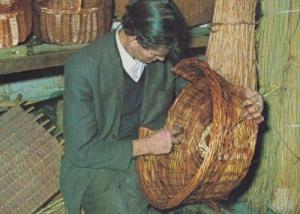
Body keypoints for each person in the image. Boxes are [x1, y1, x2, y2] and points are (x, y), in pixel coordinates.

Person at [60, 0, 264, 213]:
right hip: (99, 165)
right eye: (156, 54)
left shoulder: (163, 54)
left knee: (200, 206)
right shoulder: (84, 67)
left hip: (151, 160)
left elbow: (201, 94)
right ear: (134, 39)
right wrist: (147, 145)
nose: (163, 59)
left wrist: (241, 100)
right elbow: (81, 152)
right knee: (118, 208)